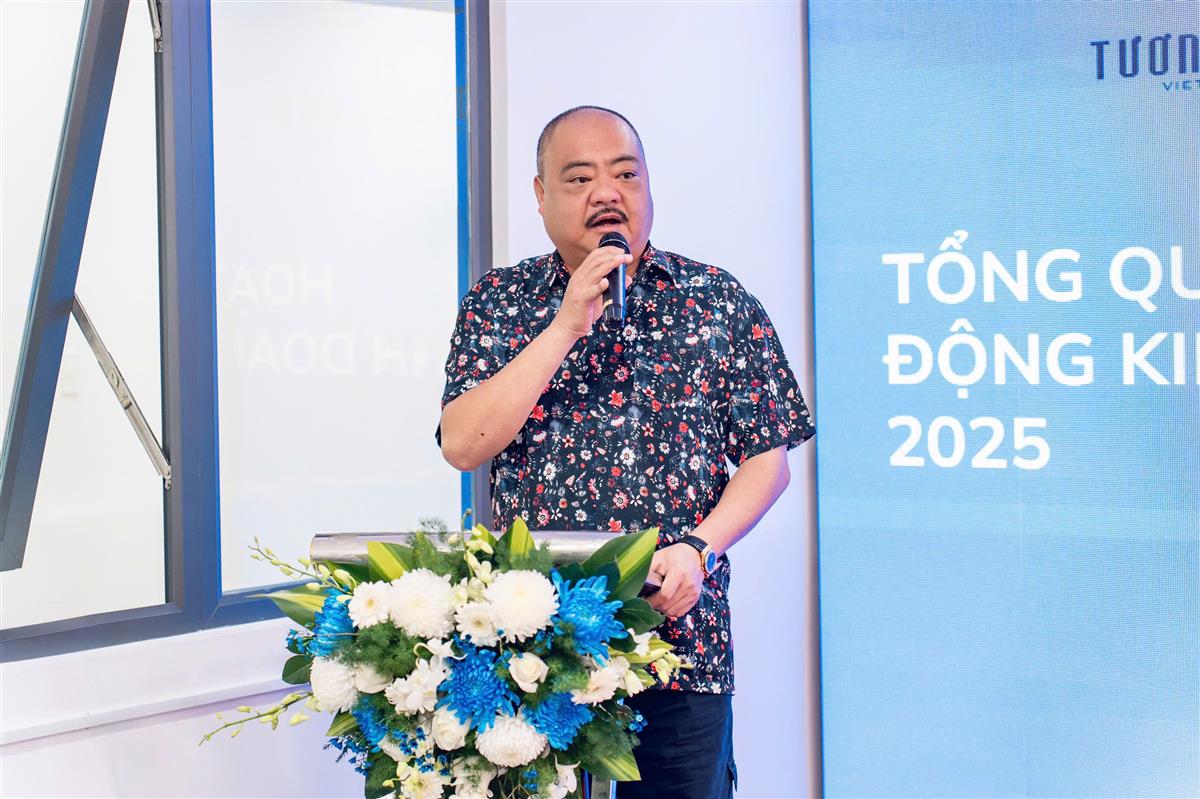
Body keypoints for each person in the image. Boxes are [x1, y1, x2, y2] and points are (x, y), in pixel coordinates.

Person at [436, 105, 815, 799]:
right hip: (532, 650)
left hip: (678, 644)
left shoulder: (716, 299)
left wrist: (700, 547)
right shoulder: (498, 302)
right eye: (579, 178)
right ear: (540, 194)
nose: (607, 193)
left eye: (626, 174)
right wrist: (564, 325)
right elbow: (463, 443)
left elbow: (769, 459)